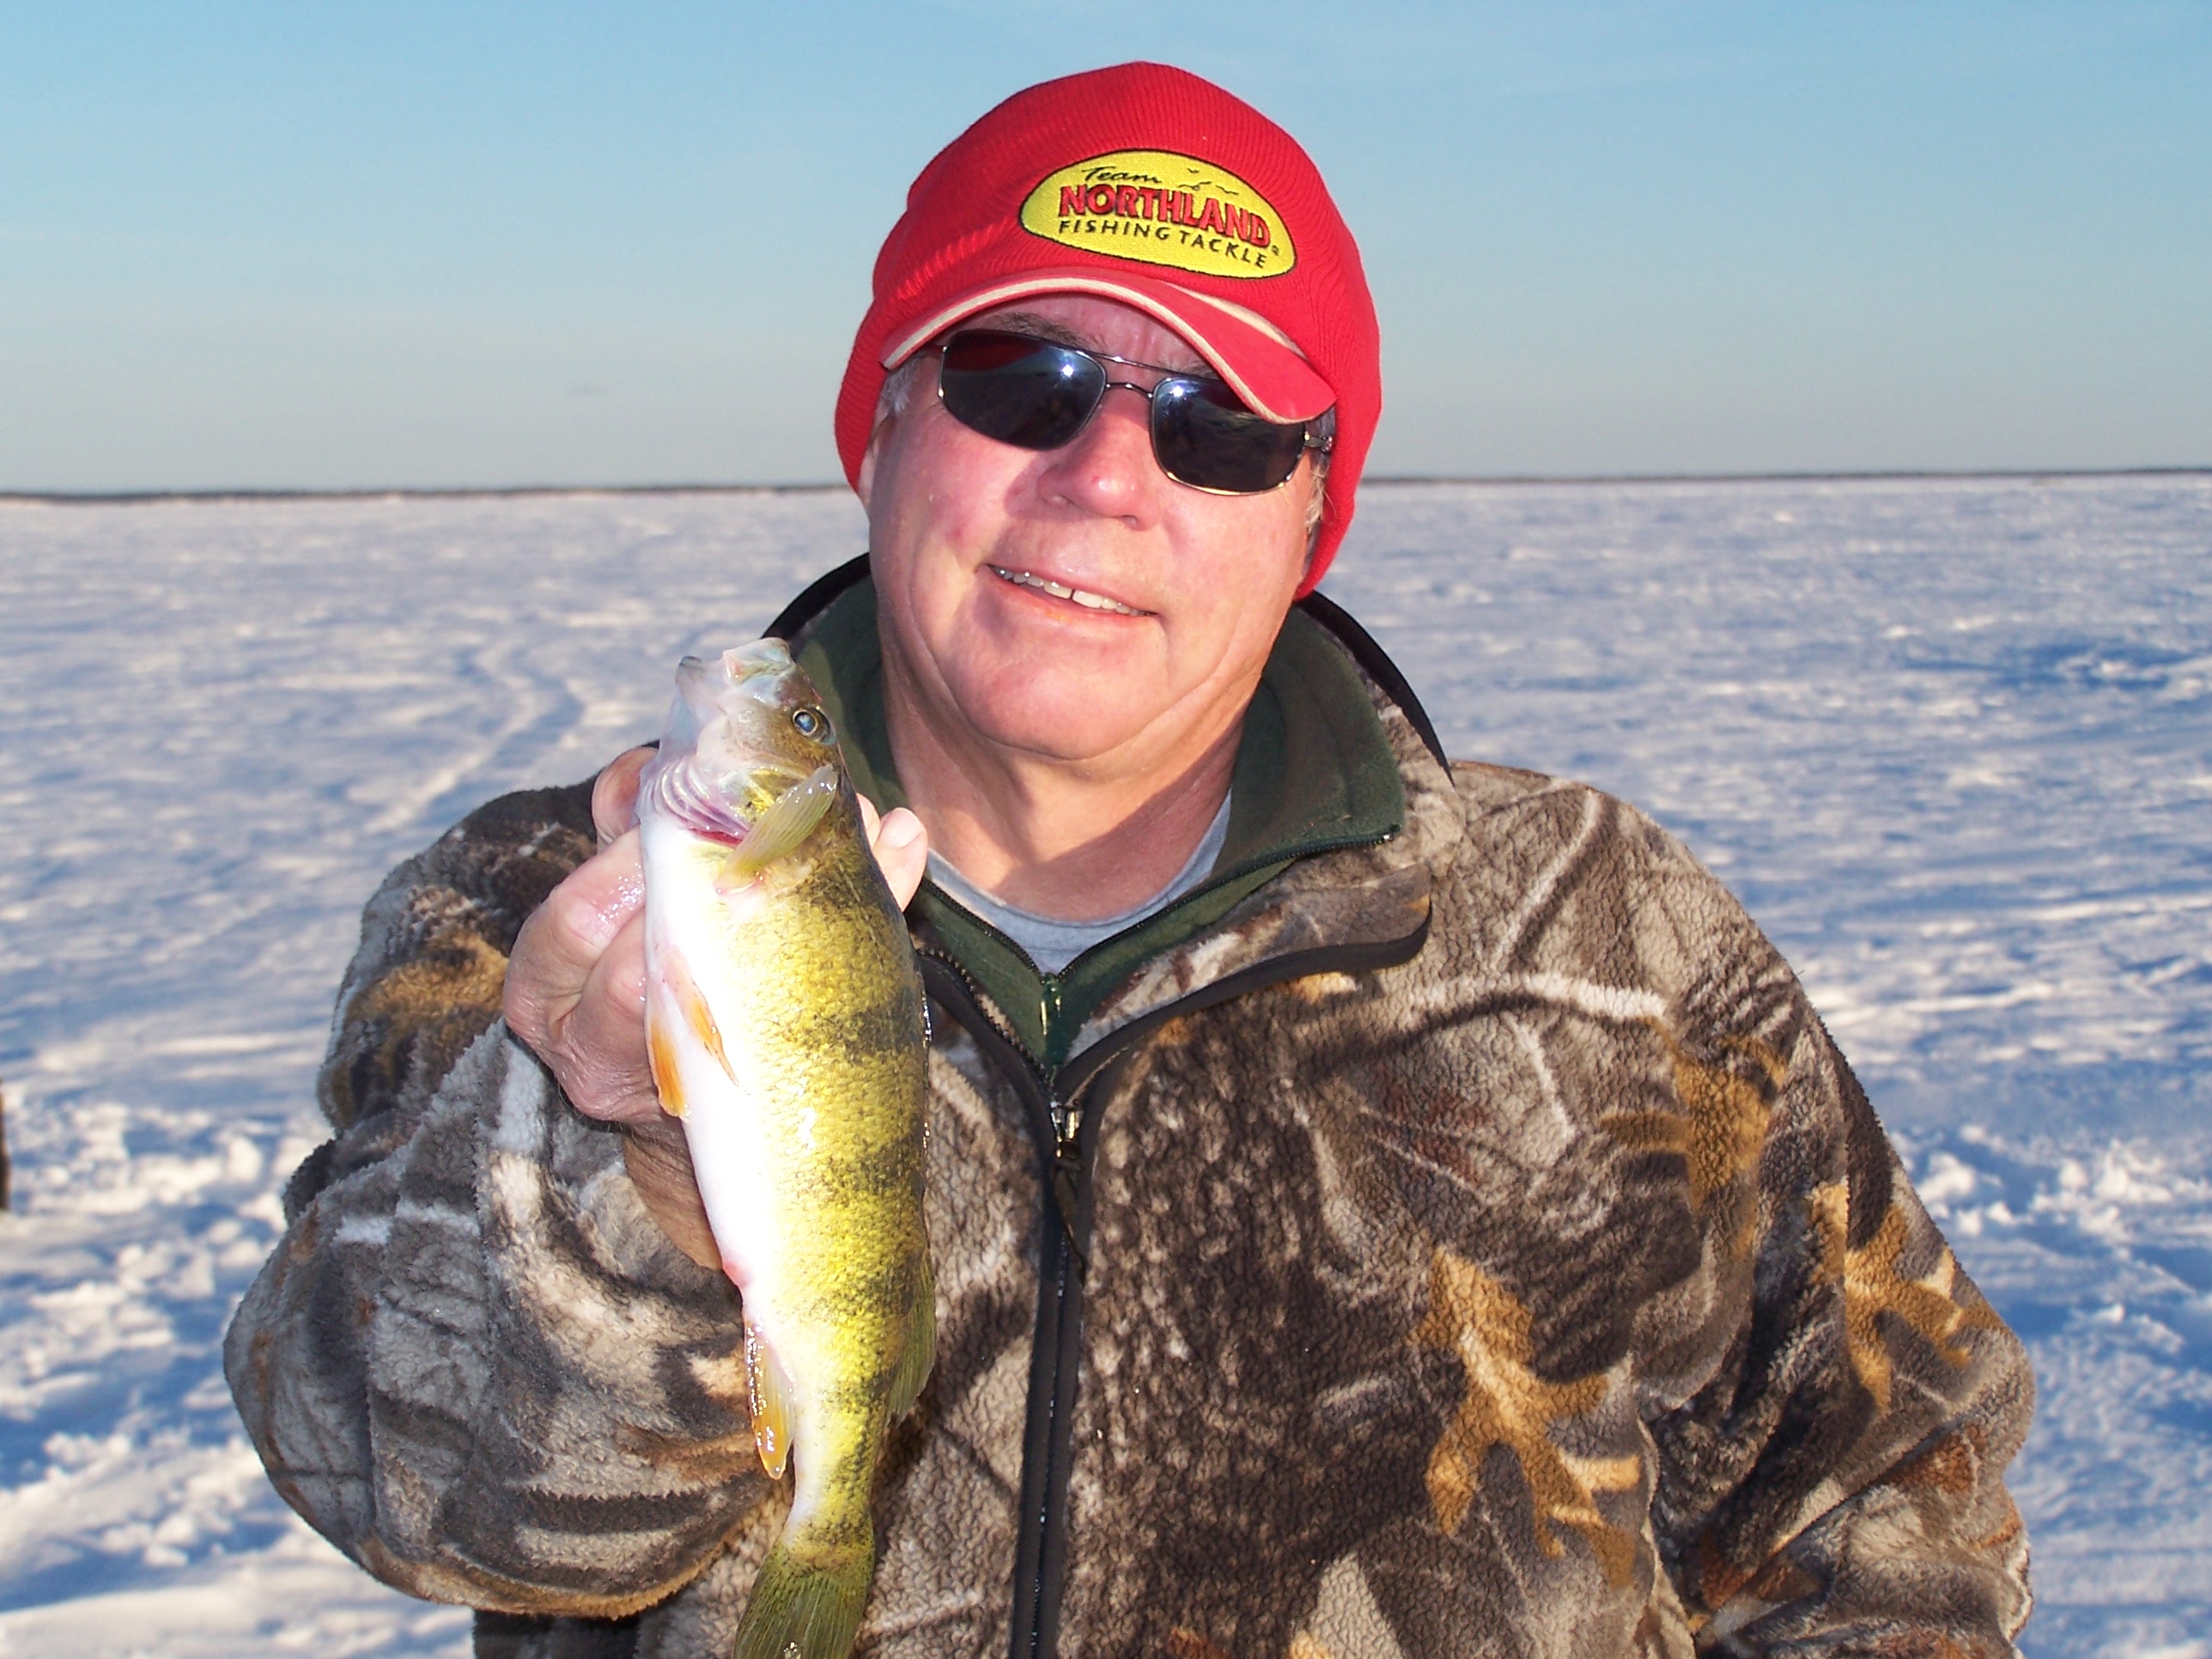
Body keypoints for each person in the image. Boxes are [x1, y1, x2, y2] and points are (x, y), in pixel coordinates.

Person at [228, 61, 2034, 1659]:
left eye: (1221, 426)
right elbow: (405, 1488)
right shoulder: (548, 914)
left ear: (1313, 517)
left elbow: (1890, 1492)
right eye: (1026, 375)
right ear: (880, 423)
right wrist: (619, 1144)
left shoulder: (1602, 934)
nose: (1107, 476)